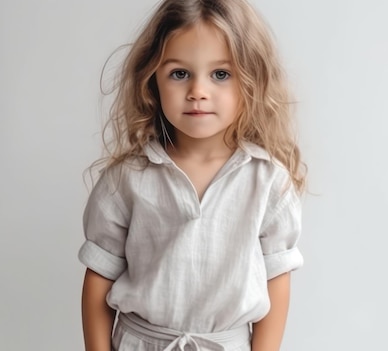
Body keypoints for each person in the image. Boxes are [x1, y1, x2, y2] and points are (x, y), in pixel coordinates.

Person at [79, 0, 306, 350]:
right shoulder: (127, 179)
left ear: (252, 79)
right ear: (152, 80)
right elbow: (98, 276)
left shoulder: (268, 182)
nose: (198, 91)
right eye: (180, 73)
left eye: (220, 74)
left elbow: (277, 278)